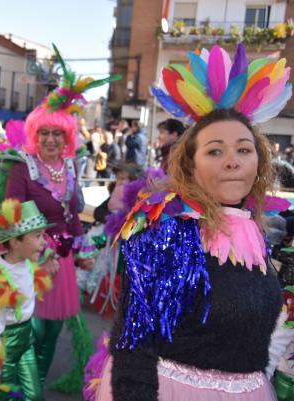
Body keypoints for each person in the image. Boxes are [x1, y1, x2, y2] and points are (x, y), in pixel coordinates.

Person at [91, 43, 292, 401]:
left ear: (259, 162)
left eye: (244, 150)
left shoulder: (252, 228)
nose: (232, 161)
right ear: (190, 165)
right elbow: (134, 344)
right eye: (215, 150)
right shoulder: (171, 232)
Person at [5, 46, 116, 387]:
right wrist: (40, 253)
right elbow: (10, 216)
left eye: (58, 133)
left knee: (51, 330)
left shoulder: (68, 166)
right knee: (29, 328)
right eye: (45, 133)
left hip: (63, 260)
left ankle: (33, 382)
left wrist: (80, 247)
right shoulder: (22, 169)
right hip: (31, 260)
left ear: (67, 136)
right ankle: (23, 388)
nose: (51, 139)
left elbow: (70, 213)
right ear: (34, 135)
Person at [0, 199, 53, 400]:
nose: (44, 242)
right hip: (4, 345)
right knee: (5, 396)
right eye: (37, 236)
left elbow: (27, 294)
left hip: (26, 339)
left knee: (34, 395)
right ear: (16, 242)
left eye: (43, 235)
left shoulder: (28, 265)